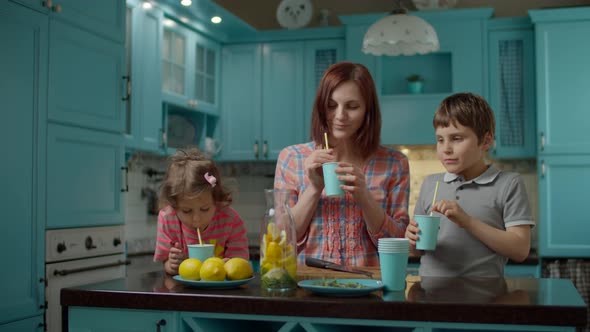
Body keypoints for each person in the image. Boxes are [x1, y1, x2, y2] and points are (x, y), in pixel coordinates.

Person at [274, 62, 410, 267]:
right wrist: (314, 188)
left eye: (352, 106)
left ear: (368, 110)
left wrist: (364, 196)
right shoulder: (292, 157)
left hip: (369, 287)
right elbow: (281, 239)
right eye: (331, 105)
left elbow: (398, 243)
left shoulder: (394, 163)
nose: (340, 116)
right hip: (307, 287)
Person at [405, 92, 534, 277]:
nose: (446, 149)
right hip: (430, 297)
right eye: (440, 139)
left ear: (486, 141)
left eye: (456, 138)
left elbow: (520, 250)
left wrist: (468, 222)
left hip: (484, 301)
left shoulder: (508, 184)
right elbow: (417, 250)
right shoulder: (431, 184)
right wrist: (411, 240)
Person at [154, 148, 249, 275]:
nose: (196, 219)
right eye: (187, 211)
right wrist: (172, 265)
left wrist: (228, 266)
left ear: (216, 200)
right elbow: (165, 262)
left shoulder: (231, 221)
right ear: (174, 205)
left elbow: (240, 264)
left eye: (205, 209)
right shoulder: (168, 219)